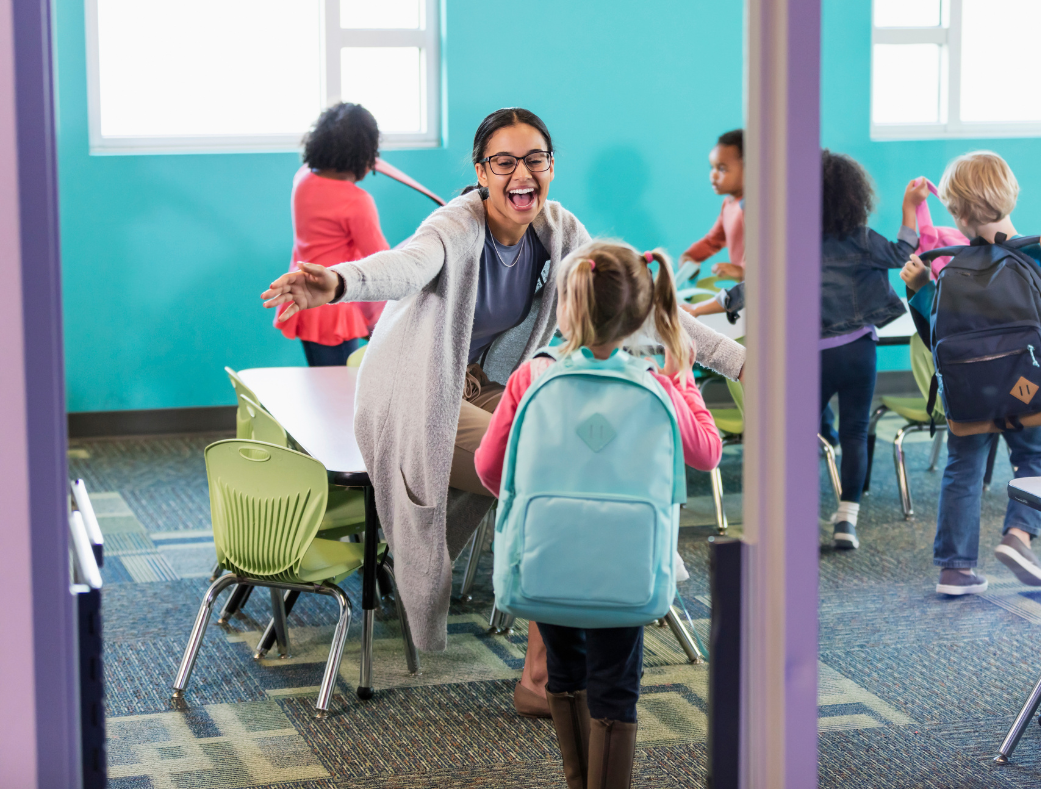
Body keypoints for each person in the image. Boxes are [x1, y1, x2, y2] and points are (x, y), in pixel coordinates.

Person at [260, 108, 746, 664]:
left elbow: (640, 300)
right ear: (482, 170)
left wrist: (742, 364)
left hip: (478, 384)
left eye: (535, 159)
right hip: (415, 393)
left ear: (551, 166)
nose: (523, 174)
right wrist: (339, 281)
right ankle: (546, 669)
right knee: (549, 465)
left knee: (574, 438)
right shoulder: (454, 227)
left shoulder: (561, 231)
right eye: (505, 162)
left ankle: (624, 586)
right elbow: (403, 267)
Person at [473, 240, 723, 789]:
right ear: (641, 308)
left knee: (564, 674)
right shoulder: (658, 378)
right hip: (627, 562)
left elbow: (490, 470)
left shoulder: (532, 375)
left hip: (549, 555)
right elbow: (706, 452)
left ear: (567, 305)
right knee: (615, 686)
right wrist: (682, 381)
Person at [900, 150, 1041, 596]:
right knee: (1037, 456)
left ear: (957, 213)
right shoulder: (1037, 255)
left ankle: (955, 569)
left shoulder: (952, 268)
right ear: (1011, 194)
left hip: (971, 395)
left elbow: (936, 335)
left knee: (963, 468)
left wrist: (921, 290)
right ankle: (1018, 536)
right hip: (1029, 389)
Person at [819, 151, 921, 550]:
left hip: (813, 357)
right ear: (853, 197)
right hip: (859, 351)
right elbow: (902, 253)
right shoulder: (862, 240)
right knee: (856, 431)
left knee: (801, 435)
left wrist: (721, 301)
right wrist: (908, 208)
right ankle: (847, 520)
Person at [274, 103, 390, 366]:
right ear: (364, 154)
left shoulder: (302, 178)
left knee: (323, 384)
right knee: (339, 390)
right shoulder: (356, 201)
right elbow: (384, 263)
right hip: (333, 305)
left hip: (305, 298)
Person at [678, 129, 745, 283]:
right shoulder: (728, 203)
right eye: (712, 167)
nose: (713, 175)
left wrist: (743, 271)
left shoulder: (755, 207)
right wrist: (690, 256)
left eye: (722, 169)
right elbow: (713, 241)